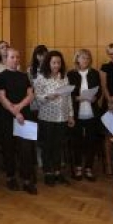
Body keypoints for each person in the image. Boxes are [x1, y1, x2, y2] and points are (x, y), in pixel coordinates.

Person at [0, 48, 37, 194]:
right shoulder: (1, 76)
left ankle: (27, 180)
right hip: (7, 117)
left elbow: (30, 95)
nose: (15, 60)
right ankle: (10, 177)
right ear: (6, 59)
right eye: (12, 57)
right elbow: (2, 98)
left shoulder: (24, 76)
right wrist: (15, 112)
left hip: (24, 116)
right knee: (9, 148)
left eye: (17, 57)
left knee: (27, 149)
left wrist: (19, 108)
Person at [34, 50, 74, 186]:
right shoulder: (41, 78)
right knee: (47, 146)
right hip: (47, 117)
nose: (56, 65)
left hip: (62, 117)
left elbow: (68, 97)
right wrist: (47, 97)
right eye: (54, 63)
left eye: (59, 62)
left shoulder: (64, 77)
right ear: (48, 63)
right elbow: (36, 97)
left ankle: (57, 172)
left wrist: (70, 115)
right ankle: (48, 173)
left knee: (59, 146)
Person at [67, 49, 102, 181]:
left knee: (91, 141)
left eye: (87, 58)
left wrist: (95, 97)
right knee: (76, 141)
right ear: (77, 59)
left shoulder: (94, 73)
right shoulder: (71, 74)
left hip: (91, 112)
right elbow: (68, 94)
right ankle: (78, 167)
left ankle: (88, 168)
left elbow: (98, 91)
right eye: (83, 58)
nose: (85, 60)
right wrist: (78, 98)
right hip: (76, 112)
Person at [28, 44, 49, 120]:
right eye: (40, 55)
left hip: (47, 100)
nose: (42, 58)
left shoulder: (50, 69)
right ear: (35, 56)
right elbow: (29, 85)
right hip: (35, 101)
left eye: (44, 55)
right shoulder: (31, 69)